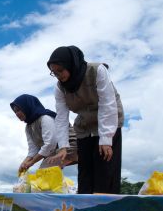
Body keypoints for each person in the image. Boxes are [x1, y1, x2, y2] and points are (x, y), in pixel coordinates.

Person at [46, 45, 124, 194]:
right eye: (54, 73)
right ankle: (85, 209)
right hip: (84, 126)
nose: (58, 76)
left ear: (71, 64)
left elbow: (107, 104)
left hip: (109, 121)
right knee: (85, 172)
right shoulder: (60, 88)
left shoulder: (97, 71)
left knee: (105, 170)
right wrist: (63, 146)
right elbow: (61, 117)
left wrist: (106, 139)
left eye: (60, 71)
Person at [10, 94, 59, 174]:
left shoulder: (45, 118)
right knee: (43, 174)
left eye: (19, 110)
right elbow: (33, 149)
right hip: (53, 152)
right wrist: (24, 162)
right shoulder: (28, 127)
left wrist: (31, 163)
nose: (17, 114)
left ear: (27, 107)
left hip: (69, 147)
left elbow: (50, 144)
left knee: (45, 174)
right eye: (15, 111)